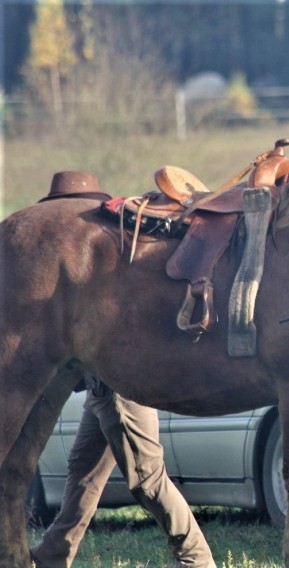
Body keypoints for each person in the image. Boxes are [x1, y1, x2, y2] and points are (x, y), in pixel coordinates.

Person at [30, 174, 216, 568]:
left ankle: (196, 558)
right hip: (103, 386)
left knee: (146, 477)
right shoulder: (102, 255)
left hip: (117, 385)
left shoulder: (96, 261)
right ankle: (53, 552)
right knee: (84, 472)